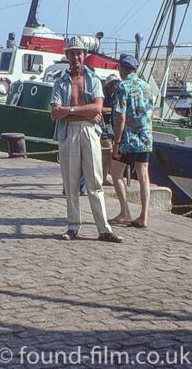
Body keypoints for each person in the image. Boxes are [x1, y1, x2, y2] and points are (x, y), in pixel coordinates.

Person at [50, 36, 123, 243]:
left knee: (95, 181)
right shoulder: (60, 81)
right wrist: (84, 112)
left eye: (79, 53)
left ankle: (103, 228)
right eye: (72, 53)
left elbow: (97, 108)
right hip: (68, 132)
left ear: (85, 55)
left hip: (90, 132)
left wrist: (69, 110)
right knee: (71, 182)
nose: (76, 57)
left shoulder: (92, 79)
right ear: (67, 55)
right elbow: (55, 113)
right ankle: (73, 226)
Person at [108, 54, 154, 229]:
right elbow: (151, 113)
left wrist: (117, 142)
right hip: (145, 137)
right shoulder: (147, 87)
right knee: (143, 176)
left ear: (121, 68)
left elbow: (120, 115)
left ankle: (125, 212)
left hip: (128, 139)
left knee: (116, 172)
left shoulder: (123, 87)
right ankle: (144, 216)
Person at [100, 74, 121, 185]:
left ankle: (103, 177)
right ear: (109, 85)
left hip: (110, 127)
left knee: (110, 152)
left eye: (117, 85)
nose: (116, 87)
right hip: (100, 125)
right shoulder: (102, 94)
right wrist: (111, 109)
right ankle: (100, 177)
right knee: (108, 149)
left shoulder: (116, 96)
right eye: (114, 85)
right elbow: (99, 108)